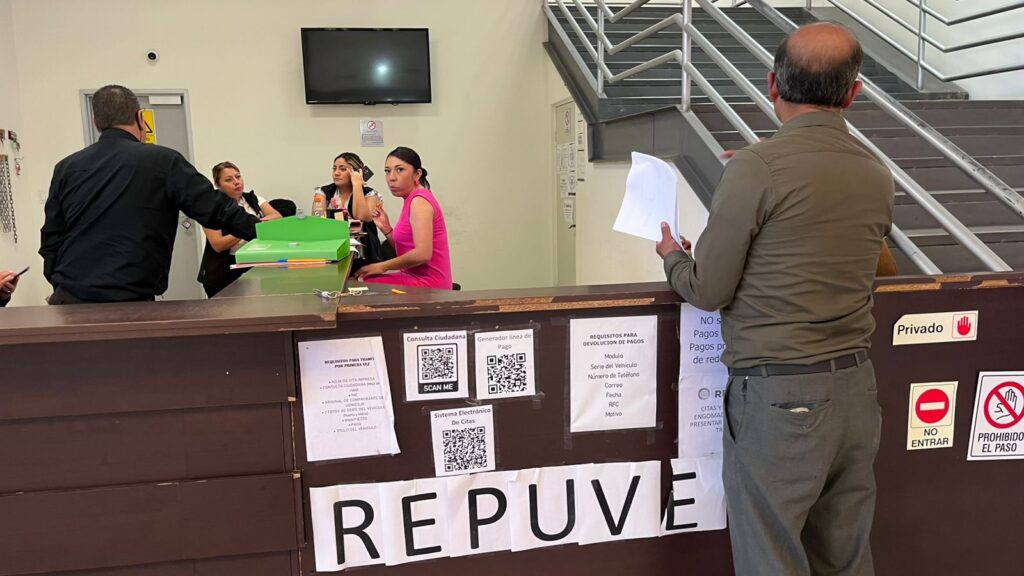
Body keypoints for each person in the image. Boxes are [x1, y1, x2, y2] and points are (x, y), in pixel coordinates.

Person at [656, 23, 892, 576]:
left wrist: (672, 255)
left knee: (771, 558)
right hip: (856, 391)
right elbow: (877, 262)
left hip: (780, 400)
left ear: (772, 84)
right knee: (846, 557)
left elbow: (708, 289)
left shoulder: (756, 168)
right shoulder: (875, 172)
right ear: (853, 93)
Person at [40, 85, 259, 304]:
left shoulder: (66, 167)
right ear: (140, 117)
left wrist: (60, 284)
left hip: (70, 299)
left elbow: (51, 237)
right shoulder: (163, 161)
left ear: (96, 122)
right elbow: (216, 208)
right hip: (129, 301)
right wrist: (265, 231)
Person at [355, 147, 452, 289]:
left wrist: (382, 266)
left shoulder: (419, 201)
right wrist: (387, 229)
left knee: (358, 285)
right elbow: (405, 249)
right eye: (387, 171)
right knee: (360, 280)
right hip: (412, 276)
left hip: (429, 284)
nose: (391, 177)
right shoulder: (410, 198)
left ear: (417, 174)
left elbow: (423, 254)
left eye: (399, 170)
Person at [197, 162, 282, 297]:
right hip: (225, 270)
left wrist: (254, 224)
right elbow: (218, 244)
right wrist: (244, 228)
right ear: (218, 185)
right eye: (228, 180)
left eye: (238, 177)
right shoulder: (211, 207)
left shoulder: (253, 199)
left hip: (254, 262)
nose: (236, 182)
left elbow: (277, 217)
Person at [320, 152, 385, 272]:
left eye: (343, 169)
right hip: (334, 251)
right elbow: (318, 221)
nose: (336, 173)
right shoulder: (324, 193)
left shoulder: (371, 194)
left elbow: (360, 216)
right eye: (334, 168)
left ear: (356, 172)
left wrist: (357, 185)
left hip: (364, 255)